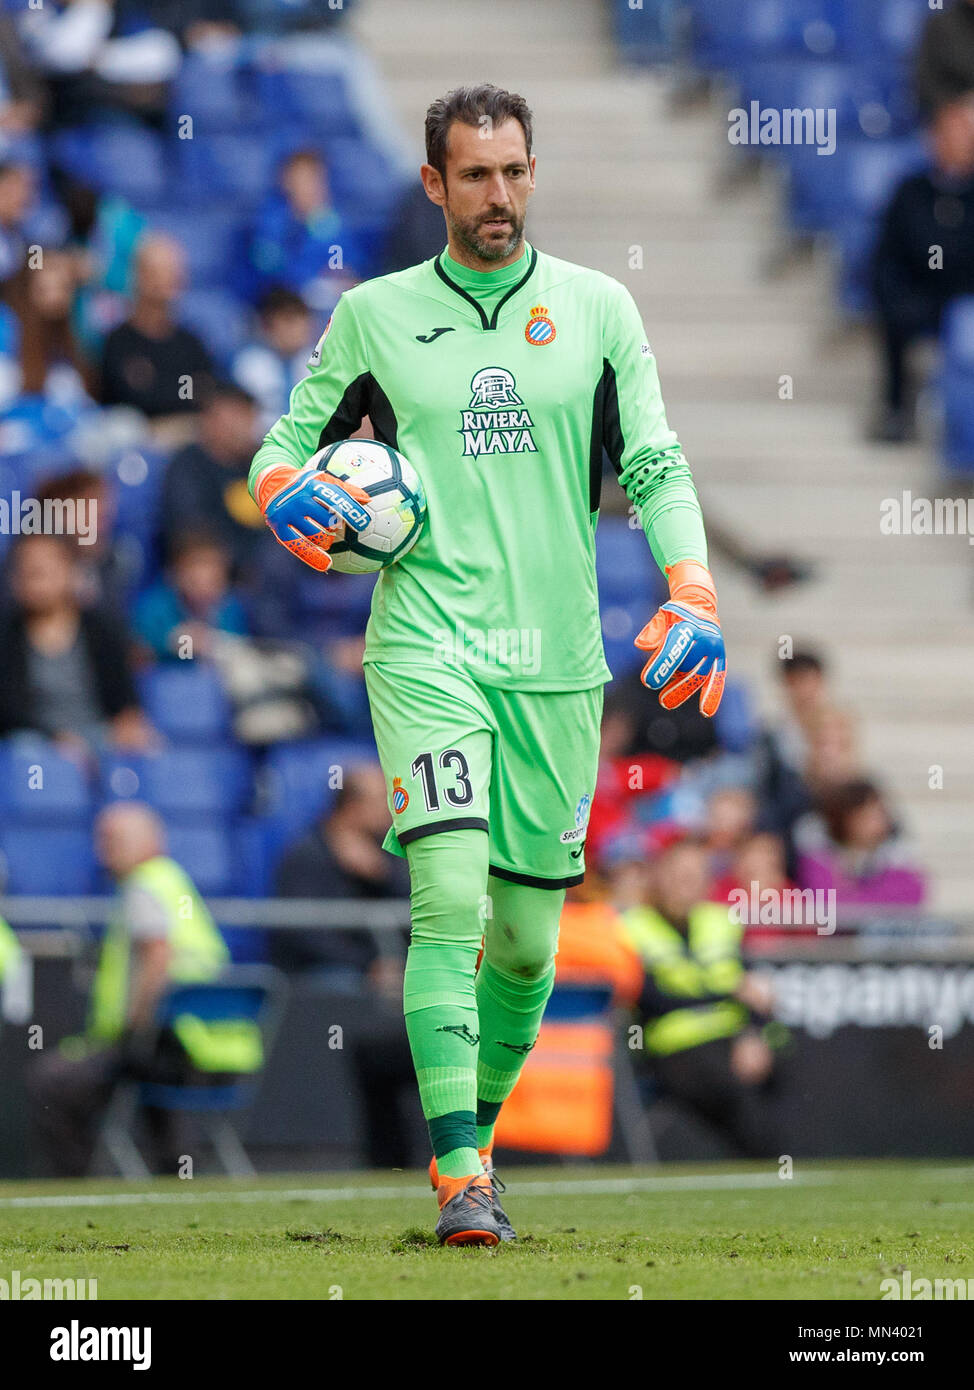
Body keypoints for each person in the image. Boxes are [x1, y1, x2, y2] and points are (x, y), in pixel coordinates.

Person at [248, 84, 727, 1246]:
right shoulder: (370, 316)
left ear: (530, 171)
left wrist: (692, 587)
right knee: (448, 897)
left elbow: (653, 462)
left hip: (556, 664)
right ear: (434, 185)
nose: (498, 195)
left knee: (523, 945)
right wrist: (286, 504)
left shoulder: (599, 309)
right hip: (427, 644)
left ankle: (476, 1136)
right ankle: (459, 1173)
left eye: (513, 171)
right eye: (474, 175)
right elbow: (279, 451)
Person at [30, 802, 261, 1177]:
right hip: (216, 1053)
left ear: (151, 841)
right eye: (100, 838)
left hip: (173, 1048)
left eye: (113, 839)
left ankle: (73, 1183)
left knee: (52, 1081)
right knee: (144, 1079)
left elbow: (158, 957)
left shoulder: (144, 886)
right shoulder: (173, 881)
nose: (102, 850)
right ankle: (175, 1169)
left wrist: (132, 1028)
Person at [622, 838, 780, 1159]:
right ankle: (767, 1164)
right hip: (673, 1047)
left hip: (731, 1039)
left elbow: (754, 991)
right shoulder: (631, 927)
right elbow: (651, 1000)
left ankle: (771, 1165)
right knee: (730, 1086)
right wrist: (727, 993)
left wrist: (753, 1036)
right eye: (679, 876)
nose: (686, 886)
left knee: (777, 1060)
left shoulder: (721, 920)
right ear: (659, 877)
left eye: (695, 877)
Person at [870, 96, 974, 441]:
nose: (961, 141)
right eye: (953, 132)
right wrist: (893, 296)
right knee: (896, 318)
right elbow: (886, 255)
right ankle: (896, 409)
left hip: (967, 297)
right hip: (920, 296)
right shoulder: (911, 191)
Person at [0, 533, 156, 756]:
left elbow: (124, 699)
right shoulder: (6, 636)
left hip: (99, 736)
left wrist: (128, 722)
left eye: (46, 565)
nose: (34, 573)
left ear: (71, 570)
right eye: (26, 566)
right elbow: (8, 713)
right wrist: (55, 738)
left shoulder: (102, 629)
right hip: (36, 743)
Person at [272, 762, 410, 980]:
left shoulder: (387, 851)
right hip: (322, 972)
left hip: (387, 968)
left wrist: (382, 875)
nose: (391, 809)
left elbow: (413, 909)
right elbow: (302, 933)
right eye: (382, 801)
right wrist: (367, 965)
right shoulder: (305, 854)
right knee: (339, 981)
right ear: (353, 806)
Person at [100, 233, 214, 426]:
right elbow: (134, 400)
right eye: (160, 271)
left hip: (187, 441)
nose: (172, 279)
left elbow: (206, 396)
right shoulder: (118, 342)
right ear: (140, 276)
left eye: (175, 271)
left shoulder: (191, 343)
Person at [160, 382, 264, 574]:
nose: (244, 427)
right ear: (210, 420)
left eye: (249, 417)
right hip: (215, 577)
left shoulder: (262, 462)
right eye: (236, 416)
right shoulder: (188, 466)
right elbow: (192, 533)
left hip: (270, 574)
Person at [247, 149, 361, 309]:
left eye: (316, 179)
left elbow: (343, 263)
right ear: (286, 182)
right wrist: (309, 283)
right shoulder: (270, 221)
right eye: (303, 180)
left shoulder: (332, 222)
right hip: (283, 303)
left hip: (327, 302)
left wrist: (340, 277)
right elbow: (267, 266)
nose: (311, 187)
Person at [795, 779, 927, 916]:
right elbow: (825, 905)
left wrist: (851, 896)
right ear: (843, 819)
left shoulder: (899, 860)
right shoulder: (818, 857)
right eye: (864, 816)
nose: (876, 823)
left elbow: (907, 897)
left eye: (878, 814)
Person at [134, 528, 250, 663]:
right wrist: (185, 643)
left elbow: (237, 649)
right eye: (195, 581)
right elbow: (145, 648)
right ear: (177, 574)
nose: (204, 590)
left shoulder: (231, 609)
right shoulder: (154, 608)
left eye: (213, 581)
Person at [231, 286, 316, 432]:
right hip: (260, 444)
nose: (298, 329)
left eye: (303, 320)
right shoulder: (248, 364)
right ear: (267, 325)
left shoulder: (320, 361)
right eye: (289, 321)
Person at [915, 0, 974, 123]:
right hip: (960, 111)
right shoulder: (941, 25)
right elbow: (927, 83)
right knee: (954, 124)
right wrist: (955, 107)